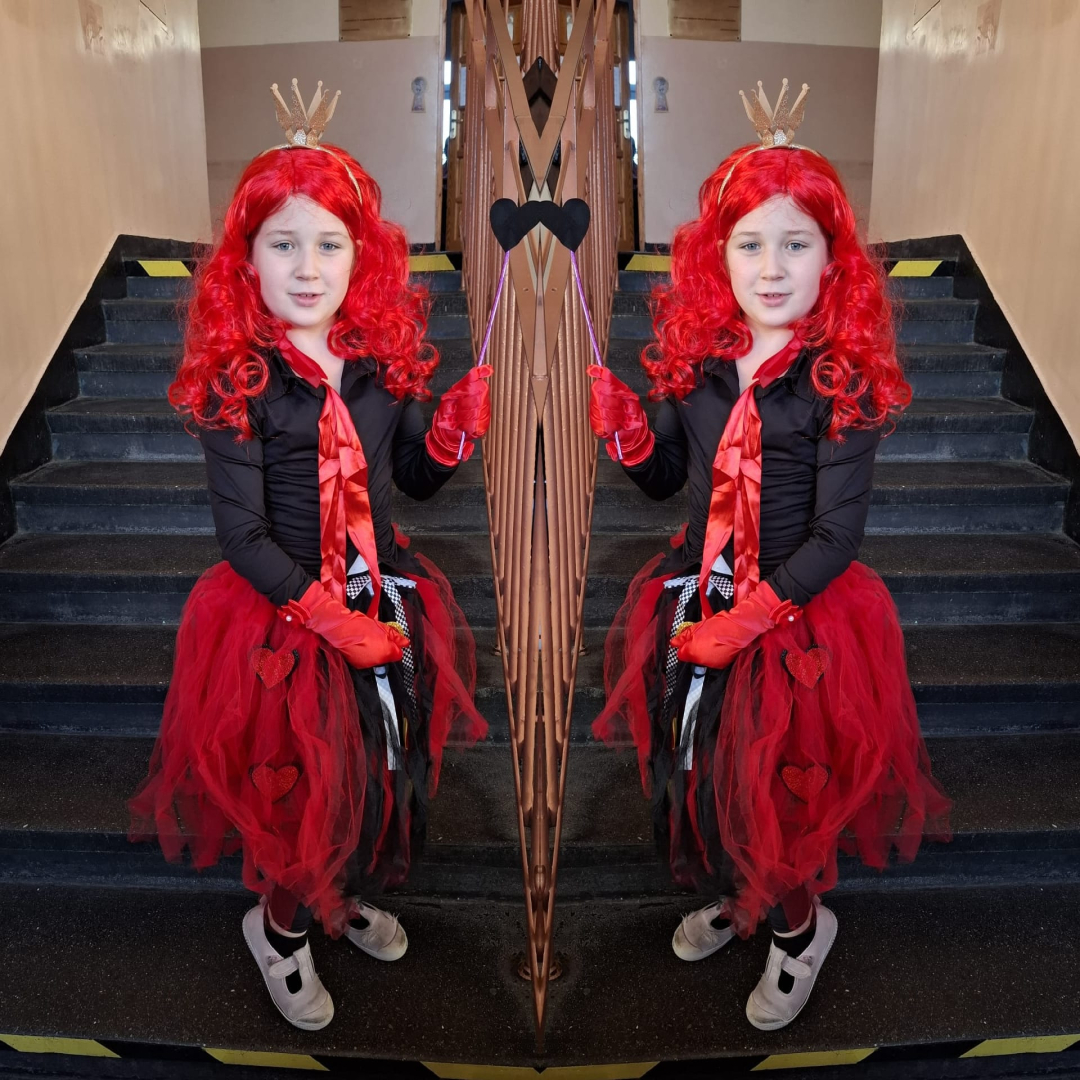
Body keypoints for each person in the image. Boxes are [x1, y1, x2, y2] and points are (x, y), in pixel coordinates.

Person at [588, 81, 950, 1032]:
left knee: (783, 793)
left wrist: (744, 625)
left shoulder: (841, 376)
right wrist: (629, 433)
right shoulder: (698, 363)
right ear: (718, 256)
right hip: (698, 591)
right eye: (750, 244)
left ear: (834, 260)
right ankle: (744, 897)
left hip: (796, 614)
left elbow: (837, 537)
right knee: (713, 774)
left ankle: (799, 930)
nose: (773, 267)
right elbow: (669, 480)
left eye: (797, 244)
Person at [130, 81, 489, 1031]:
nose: (306, 267)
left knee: (366, 773)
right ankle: (280, 930)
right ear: (246, 259)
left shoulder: (380, 365)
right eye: (282, 244)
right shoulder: (239, 376)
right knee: (296, 793)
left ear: (361, 256)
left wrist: (451, 431)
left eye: (329, 243)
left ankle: (334, 895)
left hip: (381, 593)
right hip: (282, 615)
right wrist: (335, 625)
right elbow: (242, 537)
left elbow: (412, 480)